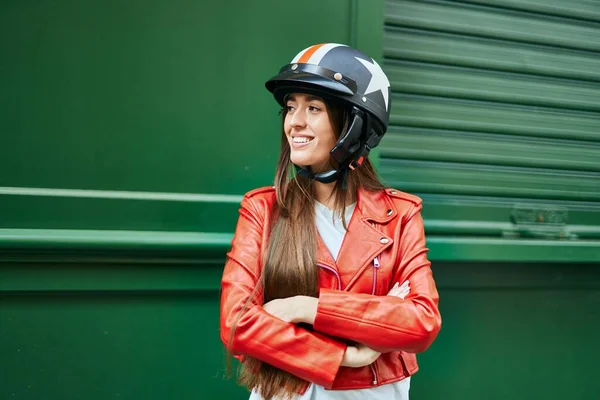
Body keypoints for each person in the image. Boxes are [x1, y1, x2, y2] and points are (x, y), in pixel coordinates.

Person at [220, 43, 441, 400]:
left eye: (314, 108)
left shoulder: (399, 214)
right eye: (291, 107)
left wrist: (305, 307)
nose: (295, 122)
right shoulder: (262, 209)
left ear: (353, 124)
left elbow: (421, 323)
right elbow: (236, 323)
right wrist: (347, 354)